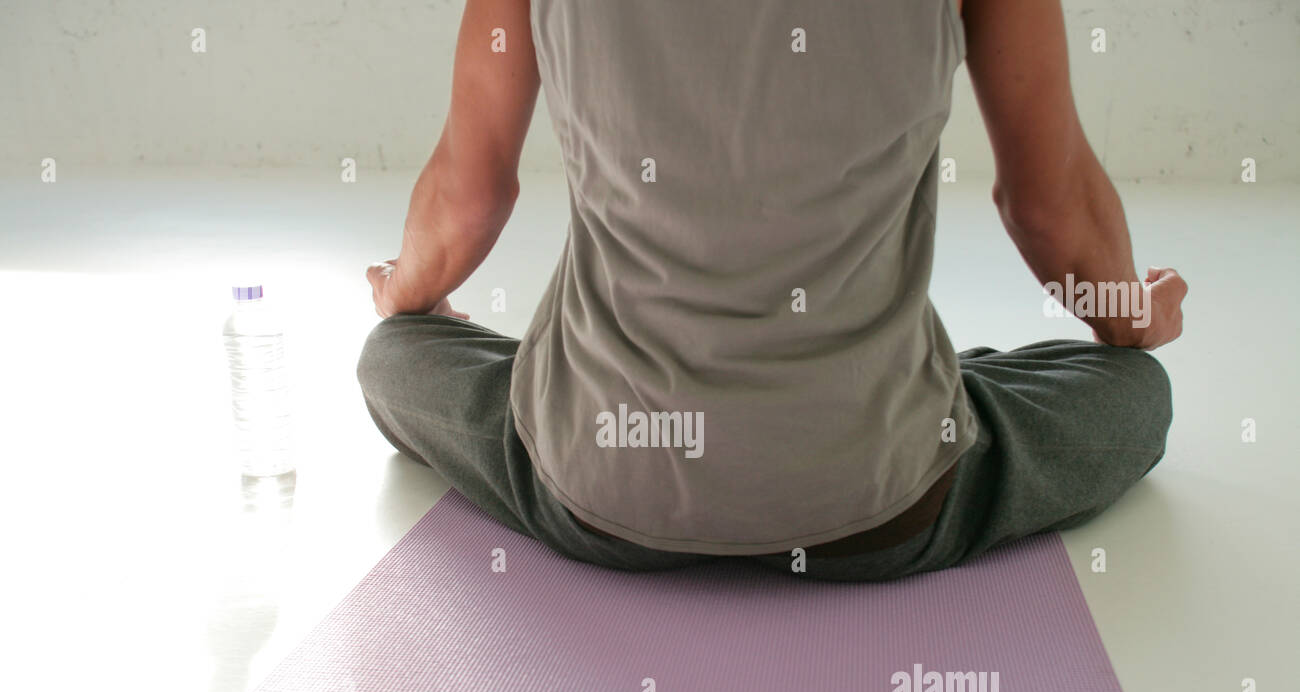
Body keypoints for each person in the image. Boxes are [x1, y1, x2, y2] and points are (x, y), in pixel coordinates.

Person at [357, 0, 1187, 582]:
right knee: (1136, 391)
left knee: (392, 355)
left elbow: (467, 200)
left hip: (604, 481)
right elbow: (1048, 208)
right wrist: (1128, 316)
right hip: (879, 502)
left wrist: (407, 292)